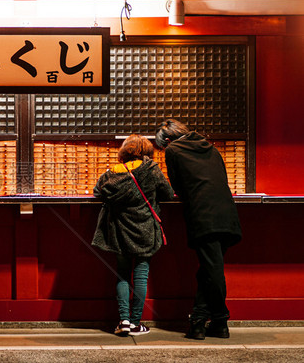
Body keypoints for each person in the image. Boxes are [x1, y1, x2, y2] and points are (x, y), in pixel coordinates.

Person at [155, 119, 242, 340]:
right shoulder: (210, 147)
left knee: (212, 270)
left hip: (203, 215)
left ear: (167, 140)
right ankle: (200, 322)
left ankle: (221, 318)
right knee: (209, 268)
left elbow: (176, 185)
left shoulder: (174, 150)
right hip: (227, 213)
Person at [92, 134, 174, 336]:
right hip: (145, 227)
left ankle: (124, 321)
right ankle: (136, 323)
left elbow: (97, 192)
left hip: (119, 229)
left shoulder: (112, 172)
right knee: (141, 274)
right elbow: (168, 193)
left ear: (124, 151)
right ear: (146, 151)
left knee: (122, 273)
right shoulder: (151, 169)